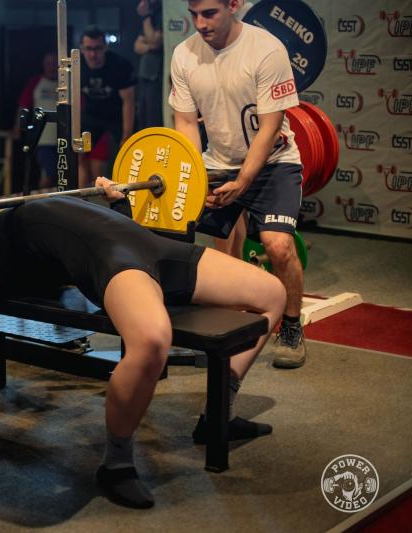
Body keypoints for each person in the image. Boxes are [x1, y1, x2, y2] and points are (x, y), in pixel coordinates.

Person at [0, 177, 286, 509]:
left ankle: (219, 413)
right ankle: (117, 463)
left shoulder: (5, 245)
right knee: (151, 341)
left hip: (151, 245)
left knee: (272, 294)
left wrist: (118, 204)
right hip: (116, 262)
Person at [169, 0, 307, 369]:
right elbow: (186, 122)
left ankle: (291, 326)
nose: (200, 24)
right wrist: (195, 176)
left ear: (234, 5)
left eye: (209, 13)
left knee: (277, 246)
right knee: (211, 247)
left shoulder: (267, 50)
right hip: (218, 162)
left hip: (274, 162)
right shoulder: (184, 54)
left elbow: (270, 126)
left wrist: (244, 180)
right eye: (193, 15)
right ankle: (220, 326)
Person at [79, 25, 137, 187]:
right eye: (89, 49)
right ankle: (78, 197)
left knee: (130, 152)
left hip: (117, 115)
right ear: (82, 48)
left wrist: (126, 135)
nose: (93, 54)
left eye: (97, 48)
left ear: (105, 47)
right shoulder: (76, 66)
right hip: (91, 114)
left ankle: (127, 193)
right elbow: (71, 100)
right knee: (76, 152)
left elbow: (129, 102)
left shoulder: (120, 65)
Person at [16, 51, 58, 190]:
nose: (52, 67)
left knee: (55, 176)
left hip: (63, 138)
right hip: (42, 139)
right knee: (49, 173)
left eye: (54, 63)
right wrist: (17, 127)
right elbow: (23, 106)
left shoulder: (66, 83)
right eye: (48, 63)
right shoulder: (35, 82)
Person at [134, 0, 164, 129]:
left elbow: (154, 41)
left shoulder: (162, 13)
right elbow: (137, 46)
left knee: (154, 119)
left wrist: (146, 15)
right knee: (142, 117)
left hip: (157, 76)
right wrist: (151, 46)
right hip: (145, 76)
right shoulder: (153, 14)